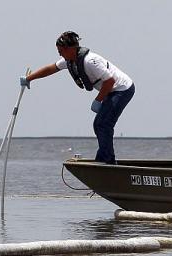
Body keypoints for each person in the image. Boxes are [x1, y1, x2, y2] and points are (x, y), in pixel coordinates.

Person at [21, 31, 134, 164]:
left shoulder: (90, 61)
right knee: (99, 124)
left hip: (122, 89)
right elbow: (51, 68)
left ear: (71, 49)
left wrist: (98, 100)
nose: (59, 54)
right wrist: (29, 78)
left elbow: (110, 81)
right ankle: (104, 158)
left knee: (103, 123)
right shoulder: (69, 60)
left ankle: (107, 161)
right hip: (110, 91)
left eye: (61, 51)